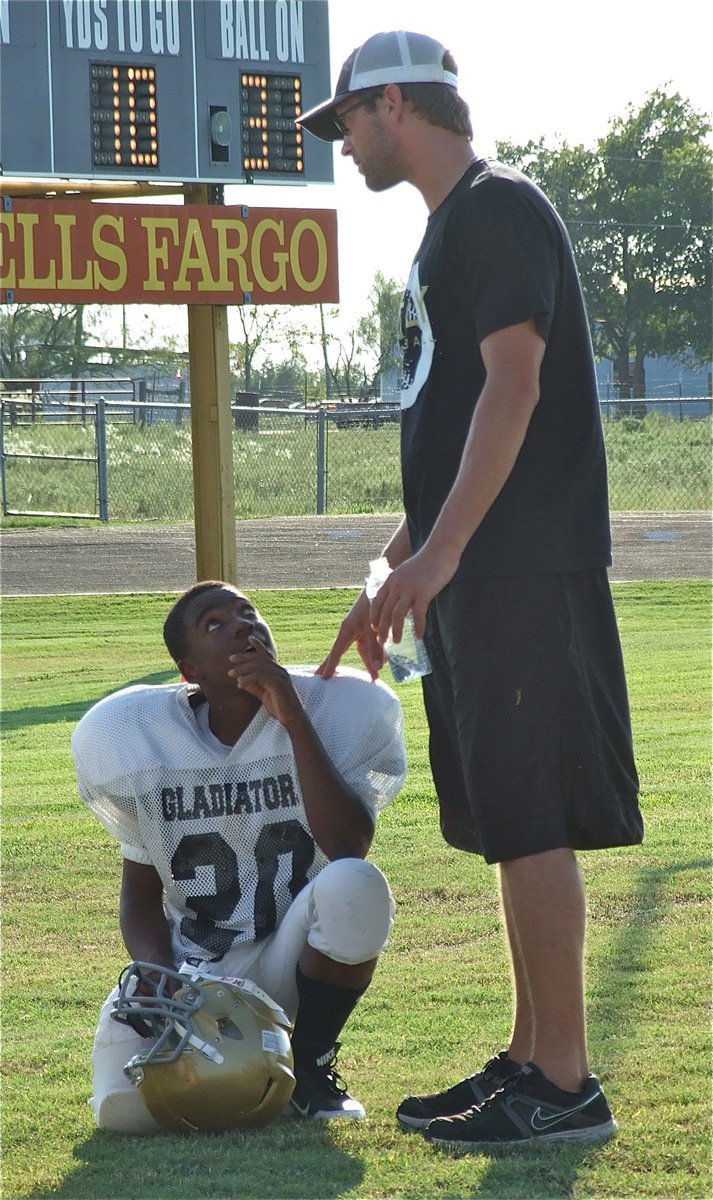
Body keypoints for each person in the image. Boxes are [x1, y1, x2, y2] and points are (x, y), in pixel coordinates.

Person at [298, 30, 643, 1152]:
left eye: (346, 118)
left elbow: (512, 387)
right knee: (507, 818)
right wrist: (401, 563)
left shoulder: (492, 209)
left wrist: (440, 558)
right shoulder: (457, 225)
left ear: (394, 102)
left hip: (519, 570)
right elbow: (454, 431)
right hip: (482, 570)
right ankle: (532, 1057)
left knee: (531, 813)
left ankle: (564, 1081)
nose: (341, 141)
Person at [72, 580, 406, 1133]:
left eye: (248, 611)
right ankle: (241, 1069)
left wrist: (293, 719)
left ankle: (312, 1064)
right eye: (215, 623)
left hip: (292, 957)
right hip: (197, 970)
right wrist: (160, 977)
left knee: (356, 884)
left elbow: (348, 846)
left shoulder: (329, 708)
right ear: (190, 670)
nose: (243, 624)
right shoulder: (142, 737)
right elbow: (139, 894)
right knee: (125, 1115)